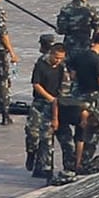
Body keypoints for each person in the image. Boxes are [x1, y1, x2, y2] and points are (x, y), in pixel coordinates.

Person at [69, 30, 99, 171]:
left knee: (79, 130)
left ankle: (75, 160)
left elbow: (73, 76)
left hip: (77, 96)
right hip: (91, 97)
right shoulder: (98, 60)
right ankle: (84, 161)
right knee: (92, 131)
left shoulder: (79, 56)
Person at [25, 35, 64, 175]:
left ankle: (45, 167)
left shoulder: (62, 68)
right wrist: (50, 98)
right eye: (56, 58)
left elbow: (64, 88)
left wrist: (56, 104)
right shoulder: (41, 65)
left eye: (61, 58)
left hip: (53, 105)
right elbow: (36, 84)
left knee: (47, 136)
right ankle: (31, 153)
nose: (58, 61)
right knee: (32, 133)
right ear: (51, 54)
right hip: (39, 102)